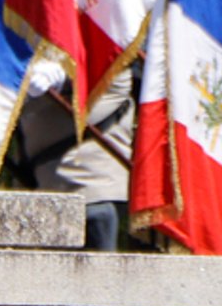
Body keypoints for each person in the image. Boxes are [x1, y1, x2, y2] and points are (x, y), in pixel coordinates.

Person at [10, 56, 138, 250]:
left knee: (101, 273)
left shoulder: (111, 56)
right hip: (46, 194)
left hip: (95, 193)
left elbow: (110, 60)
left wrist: (65, 70)